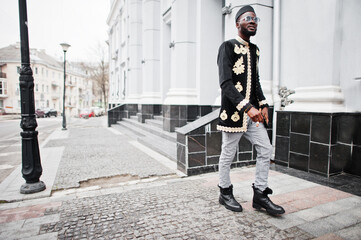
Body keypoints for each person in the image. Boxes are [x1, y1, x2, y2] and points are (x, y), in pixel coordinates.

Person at [216, 5, 285, 215]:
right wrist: (246, 107)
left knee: (266, 149)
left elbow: (255, 82)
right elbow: (226, 83)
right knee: (228, 153)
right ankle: (225, 192)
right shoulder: (227, 47)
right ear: (238, 24)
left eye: (255, 18)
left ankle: (260, 194)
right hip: (235, 114)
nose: (252, 21)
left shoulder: (255, 50)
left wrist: (263, 104)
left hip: (253, 114)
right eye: (247, 18)